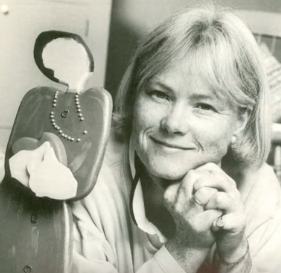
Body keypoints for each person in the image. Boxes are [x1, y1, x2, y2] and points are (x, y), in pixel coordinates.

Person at [70, 5, 281, 273]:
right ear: (136, 95)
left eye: (204, 106)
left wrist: (235, 259)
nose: (173, 123)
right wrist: (187, 248)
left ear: (240, 120)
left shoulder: (259, 189)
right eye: (160, 94)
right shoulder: (83, 173)